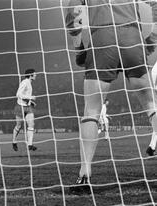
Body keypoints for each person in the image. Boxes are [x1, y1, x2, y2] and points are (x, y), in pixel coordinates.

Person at [66, 0, 157, 193]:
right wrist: (151, 40)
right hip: (132, 36)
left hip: (102, 37)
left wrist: (79, 48)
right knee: (151, 106)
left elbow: (73, 14)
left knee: (91, 110)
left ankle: (84, 174)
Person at [12, 69, 38, 152]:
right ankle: (14, 142)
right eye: (34, 74)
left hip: (28, 107)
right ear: (30, 75)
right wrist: (30, 97)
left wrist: (31, 102)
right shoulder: (24, 82)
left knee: (31, 125)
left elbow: (25, 95)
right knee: (18, 126)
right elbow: (18, 94)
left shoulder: (29, 83)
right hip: (20, 107)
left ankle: (30, 145)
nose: (36, 75)